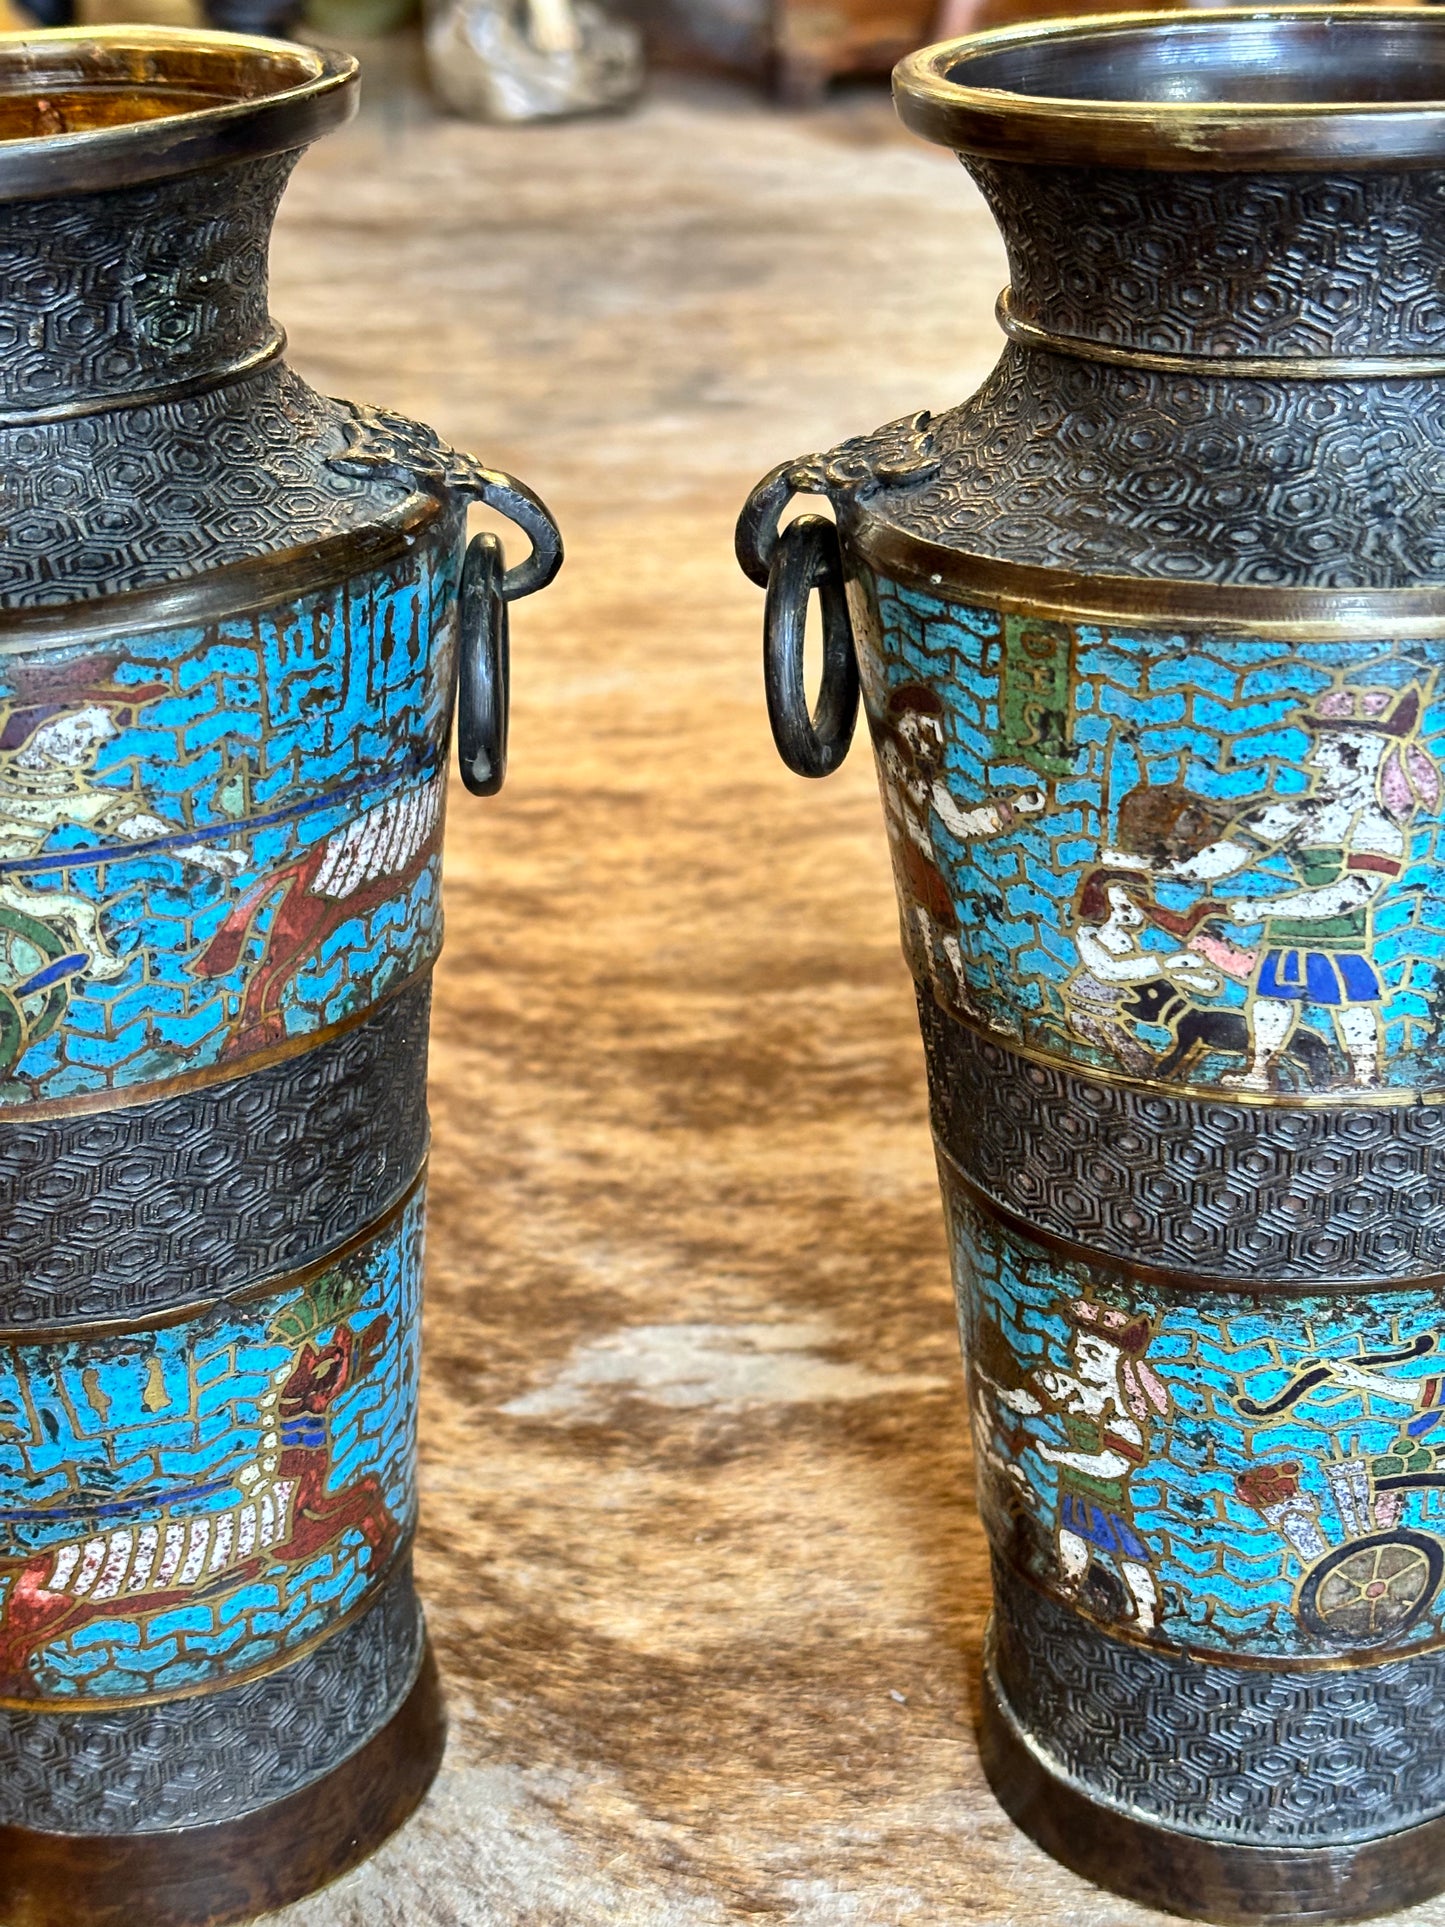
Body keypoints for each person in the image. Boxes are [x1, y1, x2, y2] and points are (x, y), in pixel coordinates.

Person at [992, 1299, 1169, 1632]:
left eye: (1093, 1355)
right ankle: (1071, 1582)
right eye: (1079, 1350)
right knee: (1070, 1536)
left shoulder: (1122, 1418)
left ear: (1117, 1365)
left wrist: (1060, 1456)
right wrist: (999, 1390)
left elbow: (1112, 1465)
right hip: (1075, 1487)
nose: (1080, 1359)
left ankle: (1145, 1612)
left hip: (1106, 1497)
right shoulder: (1074, 1392)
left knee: (1128, 1555)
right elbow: (1033, 1403)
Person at [873, 681, 1043, 1013]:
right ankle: (950, 992)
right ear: (909, 722)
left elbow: (961, 824)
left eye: (935, 731)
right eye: (928, 729)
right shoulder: (895, 754)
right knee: (928, 928)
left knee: (943, 926)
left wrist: (1014, 809)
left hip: (923, 859)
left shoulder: (929, 782)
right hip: (914, 854)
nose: (935, 741)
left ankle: (961, 994)